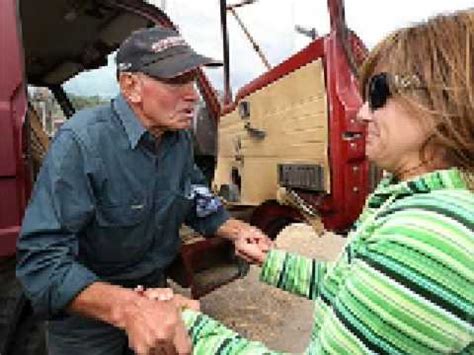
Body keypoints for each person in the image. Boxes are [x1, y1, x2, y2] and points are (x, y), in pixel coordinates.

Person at [162, 9, 474, 354]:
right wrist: (273, 262)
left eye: (378, 92)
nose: (360, 113)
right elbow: (353, 286)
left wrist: (188, 328)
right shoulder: (430, 204)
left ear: (444, 100)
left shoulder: (429, 237)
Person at [16, 26, 271, 355]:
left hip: (156, 295)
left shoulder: (177, 139)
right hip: (88, 316)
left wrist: (236, 230)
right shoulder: (82, 144)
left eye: (192, 79)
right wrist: (128, 310)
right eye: (177, 80)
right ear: (130, 86)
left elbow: (194, 193)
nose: (192, 94)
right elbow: (41, 262)